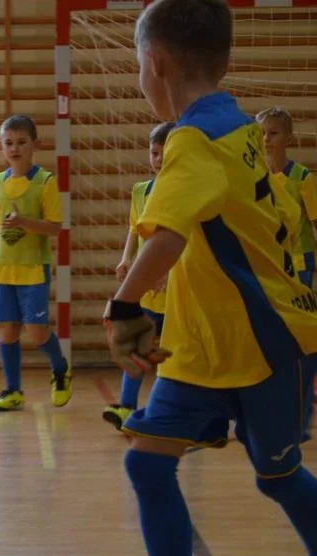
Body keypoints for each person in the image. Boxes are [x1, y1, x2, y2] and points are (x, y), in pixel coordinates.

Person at [104, 1, 317, 556]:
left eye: (137, 66)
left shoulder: (193, 140)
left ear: (154, 63)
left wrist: (123, 304)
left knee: (278, 475)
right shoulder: (238, 125)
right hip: (197, 346)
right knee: (146, 461)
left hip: (267, 345)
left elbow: (167, 236)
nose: (138, 77)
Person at [256, 105, 317, 403]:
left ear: (289, 139)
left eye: (273, 133)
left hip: (299, 263)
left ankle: (306, 379)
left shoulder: (301, 177)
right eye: (262, 133)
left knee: (299, 325)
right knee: (273, 324)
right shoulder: (254, 176)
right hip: (268, 263)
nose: (266, 139)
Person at [0, 115, 72, 412]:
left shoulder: (45, 182)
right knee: (8, 331)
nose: (15, 148)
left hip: (33, 269)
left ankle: (60, 368)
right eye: (8, 143)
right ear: (1, 148)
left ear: (36, 144)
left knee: (36, 331)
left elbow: (55, 228)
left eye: (21, 142)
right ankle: (13, 390)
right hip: (3, 269)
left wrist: (23, 222)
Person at [103, 121, 174, 431]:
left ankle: (168, 411)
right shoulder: (140, 191)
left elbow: (185, 239)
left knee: (171, 356)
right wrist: (125, 259)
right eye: (154, 152)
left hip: (176, 290)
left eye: (165, 153)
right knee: (134, 348)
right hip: (147, 285)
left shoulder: (183, 193)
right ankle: (126, 407)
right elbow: (135, 228)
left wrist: (168, 272)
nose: (158, 159)